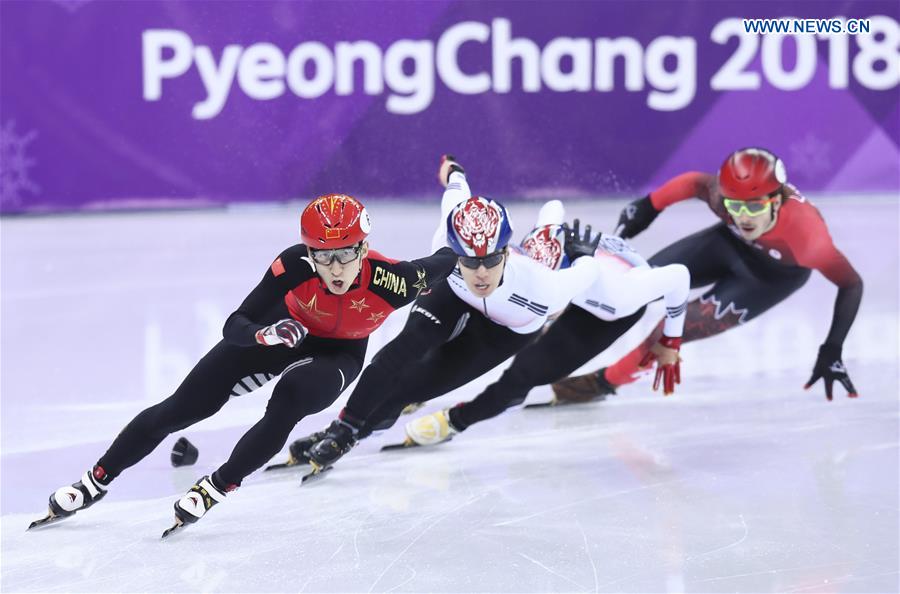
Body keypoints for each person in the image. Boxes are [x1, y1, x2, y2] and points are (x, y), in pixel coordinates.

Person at [34, 193, 459, 534]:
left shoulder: (396, 281)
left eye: (344, 254)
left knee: (290, 399)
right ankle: (95, 480)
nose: (333, 267)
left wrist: (466, 222)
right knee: (180, 408)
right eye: (321, 254)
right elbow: (234, 323)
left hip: (338, 354)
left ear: (363, 248)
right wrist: (263, 334)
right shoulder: (295, 263)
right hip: (280, 331)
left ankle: (218, 485)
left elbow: (448, 255)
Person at [281, 156, 607, 471]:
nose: (480, 273)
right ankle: (342, 431)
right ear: (454, 252)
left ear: (507, 253)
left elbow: (587, 272)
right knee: (403, 350)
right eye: (469, 261)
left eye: (491, 260)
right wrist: (453, 171)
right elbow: (456, 188)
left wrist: (584, 257)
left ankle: (358, 432)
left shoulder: (544, 288)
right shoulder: (447, 242)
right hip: (453, 293)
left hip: (505, 329)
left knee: (414, 387)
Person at [551, 147, 863, 404]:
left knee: (670, 331)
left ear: (777, 201)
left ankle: (603, 384)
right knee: (637, 283)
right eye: (735, 206)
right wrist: (648, 206)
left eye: (755, 207)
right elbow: (690, 183)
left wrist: (832, 348)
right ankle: (557, 316)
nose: (743, 217)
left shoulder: (807, 237)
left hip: (769, 280)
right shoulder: (720, 197)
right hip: (726, 246)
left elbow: (851, 284)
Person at [399, 225, 692, 448]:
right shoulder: (526, 260)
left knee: (523, 375)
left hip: (602, 316)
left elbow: (679, 275)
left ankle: (456, 421)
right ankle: (418, 389)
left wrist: (671, 341)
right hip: (578, 287)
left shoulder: (622, 295)